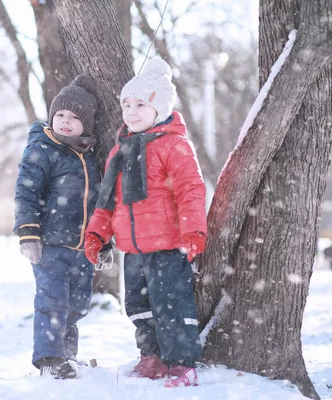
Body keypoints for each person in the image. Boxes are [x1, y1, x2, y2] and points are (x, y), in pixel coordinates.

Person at [84, 58, 207, 388]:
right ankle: (150, 358)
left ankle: (182, 364)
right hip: (131, 248)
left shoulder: (174, 145)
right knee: (138, 305)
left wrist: (194, 230)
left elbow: (191, 189)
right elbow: (106, 201)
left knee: (171, 304)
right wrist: (97, 232)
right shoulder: (119, 152)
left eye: (141, 104)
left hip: (167, 244)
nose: (131, 112)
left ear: (160, 108)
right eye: (126, 105)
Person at [13, 75, 109, 379]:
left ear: (87, 125)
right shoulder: (43, 148)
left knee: (78, 305)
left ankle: (67, 355)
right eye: (60, 115)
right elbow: (26, 191)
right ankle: (49, 360)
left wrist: (103, 242)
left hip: (82, 248)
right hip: (50, 244)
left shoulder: (89, 159)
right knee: (52, 301)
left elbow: (98, 205)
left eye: (74, 117)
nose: (65, 121)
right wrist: (28, 234)